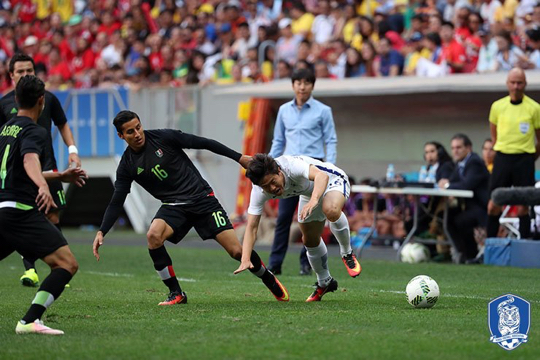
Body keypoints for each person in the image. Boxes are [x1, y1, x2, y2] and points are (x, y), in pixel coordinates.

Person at [92, 111, 289, 305]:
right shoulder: (126, 165)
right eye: (130, 132)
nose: (137, 134)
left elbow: (204, 143)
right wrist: (102, 230)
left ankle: (267, 278)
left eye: (138, 127)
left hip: (202, 199)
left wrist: (239, 158)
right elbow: (117, 199)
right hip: (174, 206)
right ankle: (176, 293)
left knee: (237, 251)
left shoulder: (163, 137)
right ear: (121, 136)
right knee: (153, 236)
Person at [0, 75, 87, 335]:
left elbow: (19, 167)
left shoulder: (4, 130)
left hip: (3, 210)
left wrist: (58, 177)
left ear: (16, 100)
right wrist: (41, 185)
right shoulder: (35, 131)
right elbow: (29, 162)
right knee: (66, 264)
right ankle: (29, 321)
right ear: (41, 101)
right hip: (21, 212)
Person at [234, 154, 361, 302]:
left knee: (330, 209)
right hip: (309, 193)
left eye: (273, 182)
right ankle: (324, 282)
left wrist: (314, 201)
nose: (272, 188)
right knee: (309, 239)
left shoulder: (291, 165)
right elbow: (252, 227)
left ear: (279, 171)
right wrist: (245, 258)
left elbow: (322, 176)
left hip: (332, 180)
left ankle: (347, 253)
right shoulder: (259, 191)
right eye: (266, 186)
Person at [267, 68, 337, 276]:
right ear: (293, 85)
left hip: (313, 169)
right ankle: (275, 263)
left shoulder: (323, 110)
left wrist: (330, 167)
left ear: (312, 86)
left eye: (306, 82)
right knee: (283, 218)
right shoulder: (283, 110)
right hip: (287, 169)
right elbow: (278, 141)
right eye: (298, 82)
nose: (302, 86)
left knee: (310, 219)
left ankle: (307, 263)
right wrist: (269, 165)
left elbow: (330, 139)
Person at [487, 68, 540, 240]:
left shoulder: (534, 108)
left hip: (524, 159)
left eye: (520, 83)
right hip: (503, 158)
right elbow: (494, 136)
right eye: (513, 82)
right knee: (494, 204)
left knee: (523, 205)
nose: (516, 86)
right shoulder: (497, 106)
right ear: (507, 84)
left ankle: (524, 247)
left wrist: (530, 158)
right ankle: (490, 246)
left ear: (525, 84)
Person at [438, 134, 490, 263]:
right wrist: (445, 182)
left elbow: (467, 185)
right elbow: (453, 181)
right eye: (453, 148)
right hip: (470, 207)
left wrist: (448, 185)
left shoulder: (474, 162)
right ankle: (466, 254)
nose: (455, 151)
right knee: (446, 217)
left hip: (483, 208)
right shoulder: (460, 163)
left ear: (468, 148)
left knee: (456, 220)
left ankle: (467, 255)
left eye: (458, 147)